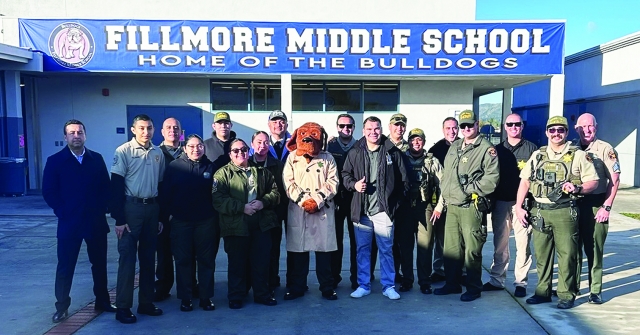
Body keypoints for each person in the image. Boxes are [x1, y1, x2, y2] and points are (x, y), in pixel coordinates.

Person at [516, 116, 599, 310]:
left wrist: (577, 188)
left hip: (565, 211)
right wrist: (519, 206)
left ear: (567, 132)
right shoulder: (538, 155)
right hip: (540, 210)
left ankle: (565, 294)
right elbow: (525, 181)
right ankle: (542, 292)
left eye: (560, 130)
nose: (556, 134)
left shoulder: (578, 155)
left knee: (567, 254)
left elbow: (593, 182)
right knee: (542, 255)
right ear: (546, 132)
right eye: (552, 130)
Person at [43, 119, 116, 323]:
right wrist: (62, 211)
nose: (76, 136)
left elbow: (106, 187)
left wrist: (102, 208)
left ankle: (103, 301)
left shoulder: (96, 159)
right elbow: (48, 191)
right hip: (69, 223)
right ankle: (62, 307)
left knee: (99, 264)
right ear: (65, 137)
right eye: (72, 133)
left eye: (80, 132)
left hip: (95, 222)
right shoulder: (55, 161)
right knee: (65, 267)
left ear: (85, 135)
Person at [433, 110, 499, 302]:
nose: (466, 128)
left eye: (470, 125)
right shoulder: (455, 146)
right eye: (463, 126)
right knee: (452, 250)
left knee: (472, 250)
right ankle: (452, 284)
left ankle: (473, 287)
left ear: (477, 125)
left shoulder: (486, 149)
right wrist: (444, 196)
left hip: (472, 206)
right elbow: (447, 175)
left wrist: (470, 189)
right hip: (452, 206)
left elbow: (492, 179)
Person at [342, 116, 409, 301]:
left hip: (383, 211)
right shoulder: (355, 151)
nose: (373, 132)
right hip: (362, 211)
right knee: (362, 250)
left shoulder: (392, 152)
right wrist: (354, 185)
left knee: (386, 250)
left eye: (377, 128)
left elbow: (405, 182)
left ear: (382, 129)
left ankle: (389, 286)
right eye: (369, 129)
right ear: (363, 131)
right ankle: (363, 285)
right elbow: (345, 174)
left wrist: (393, 206)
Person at [109, 114, 165, 323]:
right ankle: (123, 307)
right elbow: (115, 186)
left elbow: (160, 185)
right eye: (141, 128)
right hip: (130, 209)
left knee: (149, 259)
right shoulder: (123, 151)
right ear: (133, 130)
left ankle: (146, 302)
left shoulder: (157, 152)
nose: (145, 132)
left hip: (152, 208)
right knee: (128, 260)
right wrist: (119, 219)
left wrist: (159, 215)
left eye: (149, 128)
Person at [212, 139, 280, 309]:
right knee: (237, 263)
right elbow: (218, 199)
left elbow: (275, 192)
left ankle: (262, 294)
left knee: (261, 262)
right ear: (230, 154)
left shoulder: (261, 171)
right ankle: (236, 296)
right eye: (236, 151)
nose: (240, 153)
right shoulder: (222, 174)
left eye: (243, 149)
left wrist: (263, 202)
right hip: (236, 225)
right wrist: (241, 208)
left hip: (261, 223)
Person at [161, 134, 219, 312]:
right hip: (181, 222)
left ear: (204, 147)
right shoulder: (174, 167)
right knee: (183, 260)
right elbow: (165, 194)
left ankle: (205, 297)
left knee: (206, 260)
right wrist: (166, 217)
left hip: (206, 221)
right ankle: (186, 298)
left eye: (199, 146)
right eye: (192, 146)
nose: (196, 149)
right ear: (185, 148)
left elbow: (216, 193)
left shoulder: (211, 166)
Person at [282, 122, 340, 301]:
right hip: (299, 211)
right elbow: (287, 182)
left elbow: (333, 182)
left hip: (322, 211)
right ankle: (297, 287)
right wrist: (302, 200)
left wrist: (317, 201)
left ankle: (327, 287)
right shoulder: (292, 157)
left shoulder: (328, 157)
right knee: (298, 253)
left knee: (324, 254)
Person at [483, 113, 537, 298]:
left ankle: (521, 282)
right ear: (504, 127)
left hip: (523, 206)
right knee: (500, 244)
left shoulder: (532, 149)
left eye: (517, 124)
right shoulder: (496, 150)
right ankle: (497, 279)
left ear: (522, 126)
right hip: (501, 203)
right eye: (510, 124)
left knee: (523, 245)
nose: (514, 127)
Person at [574, 113, 621, 304]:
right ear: (576, 128)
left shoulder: (605, 149)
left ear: (596, 126)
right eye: (582, 127)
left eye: (590, 126)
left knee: (594, 250)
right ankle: (571, 288)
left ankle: (595, 291)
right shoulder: (572, 148)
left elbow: (615, 179)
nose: (586, 130)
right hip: (575, 204)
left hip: (596, 205)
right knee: (573, 250)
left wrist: (606, 207)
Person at [327, 114, 376, 290]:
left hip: (357, 199)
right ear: (337, 127)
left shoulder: (361, 145)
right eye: (342, 126)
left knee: (359, 241)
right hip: (335, 200)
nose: (345, 129)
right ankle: (334, 277)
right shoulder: (330, 146)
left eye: (349, 126)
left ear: (354, 127)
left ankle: (359, 277)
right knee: (335, 241)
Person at [398, 128, 445, 294]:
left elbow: (443, 186)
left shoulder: (432, 161)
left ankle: (424, 281)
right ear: (408, 141)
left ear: (424, 142)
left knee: (425, 247)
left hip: (425, 207)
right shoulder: (401, 158)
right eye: (412, 140)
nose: (415, 143)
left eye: (419, 140)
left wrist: (439, 208)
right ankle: (407, 279)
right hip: (404, 209)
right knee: (405, 246)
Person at [249, 131, 286, 292]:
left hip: (272, 215)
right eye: (258, 142)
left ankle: (272, 281)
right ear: (252, 144)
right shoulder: (246, 163)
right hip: (250, 215)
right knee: (252, 251)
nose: (262, 146)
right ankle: (251, 283)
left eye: (265, 143)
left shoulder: (277, 165)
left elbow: (281, 191)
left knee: (272, 251)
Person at [427, 117, 459, 283]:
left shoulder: (465, 146)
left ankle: (461, 272)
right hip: (440, 201)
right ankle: (438, 270)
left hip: (460, 200)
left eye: (454, 128)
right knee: (440, 237)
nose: (451, 131)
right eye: (448, 128)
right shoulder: (435, 149)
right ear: (443, 129)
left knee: (460, 239)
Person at [154, 117, 183, 302]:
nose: (172, 130)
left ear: (181, 132)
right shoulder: (154, 153)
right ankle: (162, 287)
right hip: (161, 211)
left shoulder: (188, 152)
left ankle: (187, 287)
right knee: (163, 253)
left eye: (176, 128)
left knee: (185, 253)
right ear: (162, 132)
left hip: (183, 212)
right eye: (168, 128)